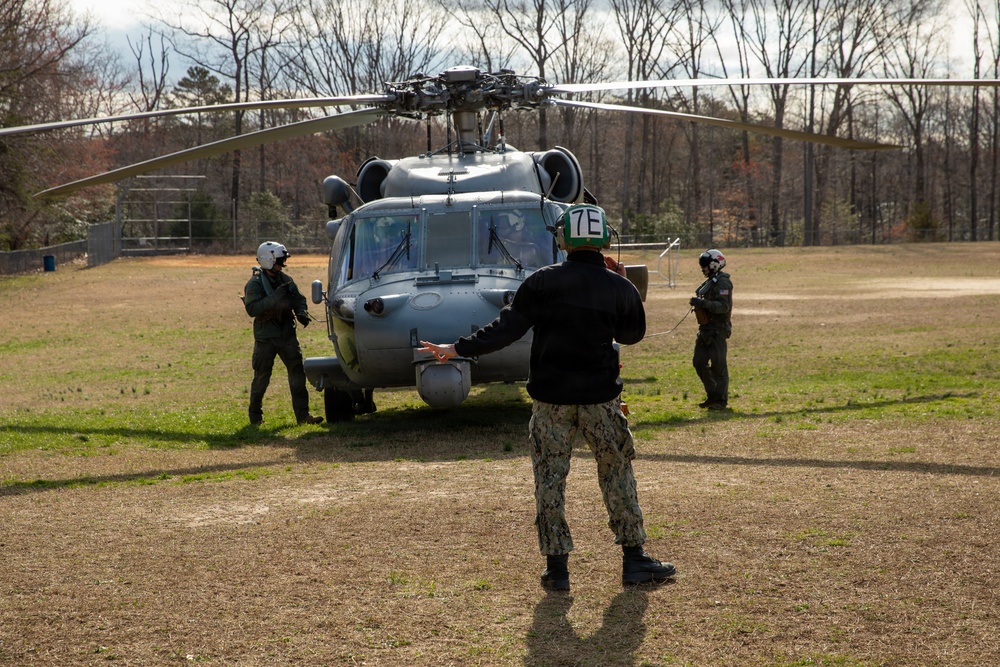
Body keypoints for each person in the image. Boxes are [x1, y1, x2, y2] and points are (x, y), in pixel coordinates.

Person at [419, 204, 675, 591]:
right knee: (617, 475)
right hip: (601, 401)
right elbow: (631, 335)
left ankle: (557, 571)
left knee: (550, 482)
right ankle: (634, 561)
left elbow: (504, 330)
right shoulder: (618, 286)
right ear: (604, 238)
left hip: (550, 402)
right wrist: (624, 285)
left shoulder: (541, 282)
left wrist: (455, 348)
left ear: (563, 240)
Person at [243, 241, 323, 426]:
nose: (282, 263)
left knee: (297, 375)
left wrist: (302, 312)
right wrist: (275, 297)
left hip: (287, 335)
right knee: (262, 378)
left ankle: (303, 416)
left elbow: (299, 299)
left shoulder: (286, 280)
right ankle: (255, 417)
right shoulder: (255, 284)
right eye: (279, 260)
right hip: (266, 337)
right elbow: (252, 309)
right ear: (268, 260)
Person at [689, 249, 733, 410]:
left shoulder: (723, 283)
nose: (703, 269)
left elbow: (723, 306)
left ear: (715, 264)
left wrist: (703, 304)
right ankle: (712, 394)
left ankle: (720, 400)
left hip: (717, 330)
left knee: (718, 366)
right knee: (698, 362)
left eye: (705, 266)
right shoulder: (711, 281)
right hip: (705, 329)